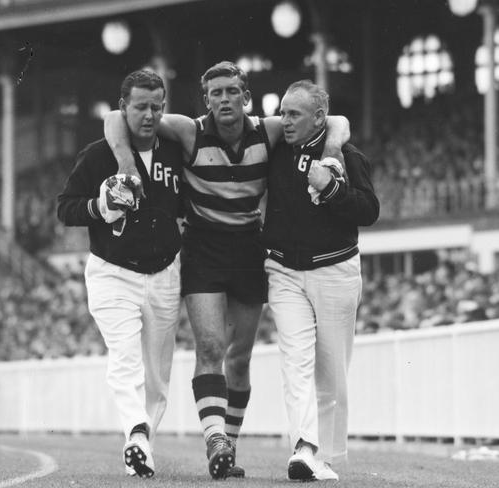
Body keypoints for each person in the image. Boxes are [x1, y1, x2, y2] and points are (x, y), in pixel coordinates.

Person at [104, 61, 351, 479]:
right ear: (206, 100)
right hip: (202, 248)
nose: (224, 100)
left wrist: (331, 152)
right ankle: (215, 438)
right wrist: (126, 163)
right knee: (212, 348)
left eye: (232, 91)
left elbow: (339, 121)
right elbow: (115, 117)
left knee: (239, 359)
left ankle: (228, 447)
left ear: (246, 97)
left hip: (250, 249)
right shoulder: (189, 131)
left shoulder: (268, 131)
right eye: (215, 93)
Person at [56, 69, 183, 479]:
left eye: (157, 106)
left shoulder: (176, 150)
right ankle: (135, 432)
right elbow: (65, 207)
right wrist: (100, 206)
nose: (149, 115)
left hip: (165, 272)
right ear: (123, 106)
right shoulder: (97, 155)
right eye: (141, 106)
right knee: (125, 359)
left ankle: (142, 442)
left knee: (158, 375)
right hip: (112, 272)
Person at [262, 80, 379, 481]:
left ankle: (324, 456)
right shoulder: (274, 151)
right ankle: (304, 447)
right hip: (284, 271)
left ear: (318, 118)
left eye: (294, 113)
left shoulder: (347, 154)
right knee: (295, 361)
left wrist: (332, 190)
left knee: (331, 372)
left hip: (335, 270)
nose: (285, 120)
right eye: (282, 111)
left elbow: (369, 209)